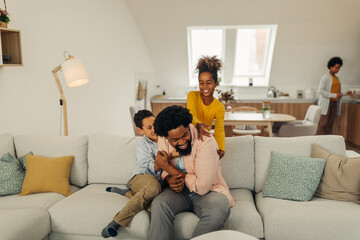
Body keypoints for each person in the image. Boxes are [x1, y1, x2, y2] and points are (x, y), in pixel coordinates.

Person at [149, 105, 234, 240]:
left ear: (189, 126)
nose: (182, 142)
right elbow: (163, 170)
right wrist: (167, 179)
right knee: (159, 204)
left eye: (185, 135)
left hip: (208, 192)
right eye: (175, 140)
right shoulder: (162, 140)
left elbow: (202, 187)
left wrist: (167, 168)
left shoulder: (205, 141)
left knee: (219, 207)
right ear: (166, 138)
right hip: (179, 191)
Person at [101, 109, 178, 238]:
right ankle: (115, 223)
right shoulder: (143, 145)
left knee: (158, 208)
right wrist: (167, 157)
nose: (154, 129)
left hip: (159, 183)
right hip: (140, 177)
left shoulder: (166, 138)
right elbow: (149, 167)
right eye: (149, 127)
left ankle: (128, 193)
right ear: (140, 130)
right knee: (154, 187)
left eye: (155, 124)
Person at [187, 55, 225, 159]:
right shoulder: (192, 96)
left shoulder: (219, 107)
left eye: (209, 83)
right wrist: (198, 124)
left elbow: (219, 129)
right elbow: (191, 115)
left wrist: (221, 148)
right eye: (201, 83)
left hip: (202, 140)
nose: (205, 87)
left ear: (216, 83)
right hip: (187, 138)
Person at [317, 57, 344, 135]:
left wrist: (344, 93)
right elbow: (320, 91)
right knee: (322, 124)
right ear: (331, 66)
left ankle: (328, 143)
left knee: (330, 125)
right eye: (336, 68)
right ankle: (318, 142)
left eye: (339, 68)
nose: (338, 70)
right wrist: (335, 95)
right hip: (326, 104)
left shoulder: (337, 78)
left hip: (334, 103)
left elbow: (336, 91)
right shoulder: (325, 77)